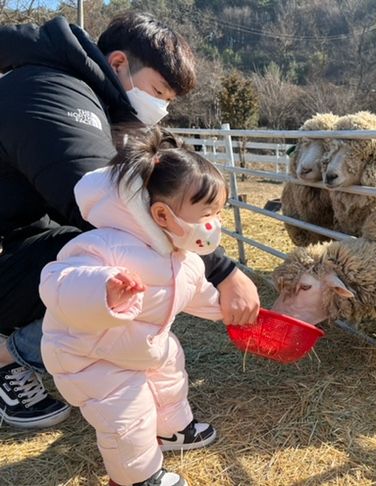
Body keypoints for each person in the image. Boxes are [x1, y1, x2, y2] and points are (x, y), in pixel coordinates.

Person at [0, 13, 259, 428]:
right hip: (12, 254)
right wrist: (224, 271)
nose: (161, 108)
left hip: (23, 243)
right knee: (125, 262)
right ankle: (7, 355)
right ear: (118, 62)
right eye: (158, 91)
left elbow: (164, 183)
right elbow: (112, 203)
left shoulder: (102, 103)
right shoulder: (50, 92)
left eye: (169, 100)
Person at [40, 127, 242, 486]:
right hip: (90, 356)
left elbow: (196, 293)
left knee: (169, 363)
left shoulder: (185, 258)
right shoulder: (106, 245)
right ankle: (136, 477)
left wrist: (227, 309)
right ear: (163, 215)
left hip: (137, 347)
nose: (215, 223)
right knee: (127, 417)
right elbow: (57, 282)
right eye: (207, 211)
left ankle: (172, 430)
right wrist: (104, 290)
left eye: (219, 211)